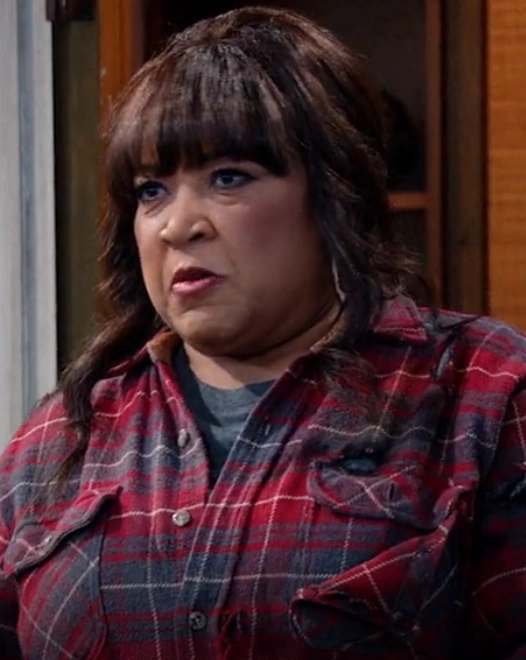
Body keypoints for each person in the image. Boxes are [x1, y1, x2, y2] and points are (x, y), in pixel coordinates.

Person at [1, 6, 526, 659]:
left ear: (333, 195)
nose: (177, 226)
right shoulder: (60, 440)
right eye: (152, 191)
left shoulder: (480, 394)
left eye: (229, 178)